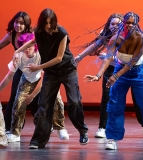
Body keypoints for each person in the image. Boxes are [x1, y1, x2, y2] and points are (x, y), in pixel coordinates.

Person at [84, 12, 143, 150]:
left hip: (139, 73)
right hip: (120, 71)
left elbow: (132, 62)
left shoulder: (142, 39)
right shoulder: (116, 38)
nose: (130, 25)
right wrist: (98, 75)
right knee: (115, 104)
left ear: (137, 24)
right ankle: (112, 138)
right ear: (124, 23)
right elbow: (108, 57)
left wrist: (116, 76)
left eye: (133, 23)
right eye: (128, 22)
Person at [14, 8, 88, 149]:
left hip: (67, 70)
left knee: (74, 102)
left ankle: (82, 130)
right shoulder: (40, 30)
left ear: (54, 22)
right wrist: (18, 51)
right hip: (51, 72)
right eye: (45, 23)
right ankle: (38, 141)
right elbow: (34, 41)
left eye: (50, 23)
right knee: (44, 106)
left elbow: (59, 58)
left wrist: (38, 67)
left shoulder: (62, 32)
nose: (48, 26)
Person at [0, 33, 69, 143]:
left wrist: (32, 96)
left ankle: (60, 127)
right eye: (24, 47)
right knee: (18, 102)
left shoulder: (41, 55)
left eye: (29, 47)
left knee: (57, 99)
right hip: (27, 79)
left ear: (35, 46)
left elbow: (44, 79)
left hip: (45, 79)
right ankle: (15, 133)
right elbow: (9, 77)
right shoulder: (19, 57)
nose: (27, 50)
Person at [0, 11, 33, 133]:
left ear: (27, 25)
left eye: (22, 23)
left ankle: (44, 123)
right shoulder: (11, 35)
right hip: (19, 68)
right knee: (14, 97)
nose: (18, 25)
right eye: (16, 22)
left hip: (32, 69)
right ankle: (10, 127)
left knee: (33, 99)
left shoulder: (31, 36)